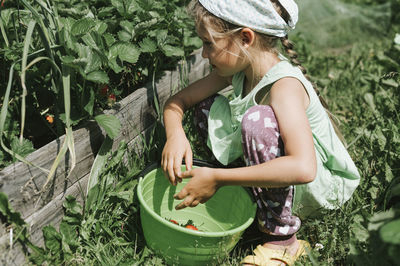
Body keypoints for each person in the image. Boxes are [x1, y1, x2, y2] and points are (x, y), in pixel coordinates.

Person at [161, 0, 360, 265]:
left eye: (209, 43)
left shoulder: (283, 86)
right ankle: (248, 197)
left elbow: (304, 168)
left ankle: (284, 241)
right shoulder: (240, 68)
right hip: (282, 174)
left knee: (257, 120)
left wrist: (219, 178)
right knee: (205, 108)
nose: (204, 54)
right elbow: (178, 102)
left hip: (312, 189)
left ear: (245, 38)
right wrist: (175, 135)